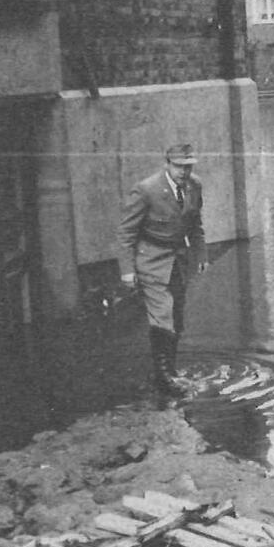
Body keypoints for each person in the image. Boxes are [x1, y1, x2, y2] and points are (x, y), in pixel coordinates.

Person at [116, 143, 208, 397]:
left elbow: (195, 224)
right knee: (162, 314)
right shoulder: (146, 190)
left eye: (188, 167)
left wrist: (201, 254)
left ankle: (170, 371)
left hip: (178, 259)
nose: (183, 172)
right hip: (151, 260)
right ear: (167, 164)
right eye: (179, 166)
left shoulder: (194, 186)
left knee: (176, 317)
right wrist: (127, 270)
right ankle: (164, 378)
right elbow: (126, 233)